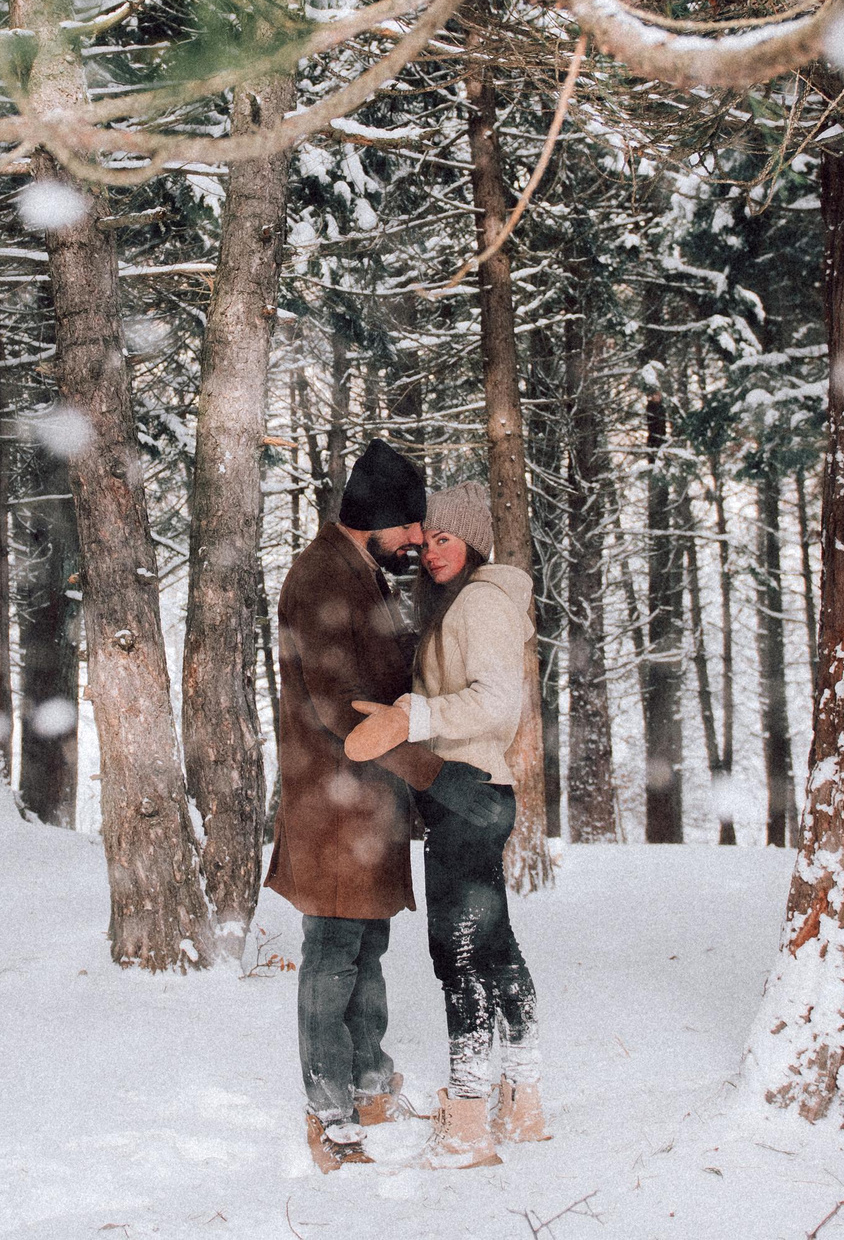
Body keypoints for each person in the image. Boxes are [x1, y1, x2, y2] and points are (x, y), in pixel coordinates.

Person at [346, 480, 546, 1170]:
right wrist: (410, 706)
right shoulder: (461, 601)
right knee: (491, 946)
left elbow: (494, 702)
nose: (431, 552)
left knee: (456, 952)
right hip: (474, 792)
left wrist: (415, 717)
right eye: (427, 540)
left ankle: (466, 1123)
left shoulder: (482, 603)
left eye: (445, 539)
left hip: (469, 793)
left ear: (472, 541)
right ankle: (521, 1097)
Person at [262, 438, 445, 1172]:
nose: (414, 540)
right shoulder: (320, 576)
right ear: (372, 516)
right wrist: (427, 767)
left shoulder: (363, 571)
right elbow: (340, 705)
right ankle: (329, 1112)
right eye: (407, 526)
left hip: (365, 803)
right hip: (332, 805)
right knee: (333, 953)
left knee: (366, 945)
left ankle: (369, 1083)